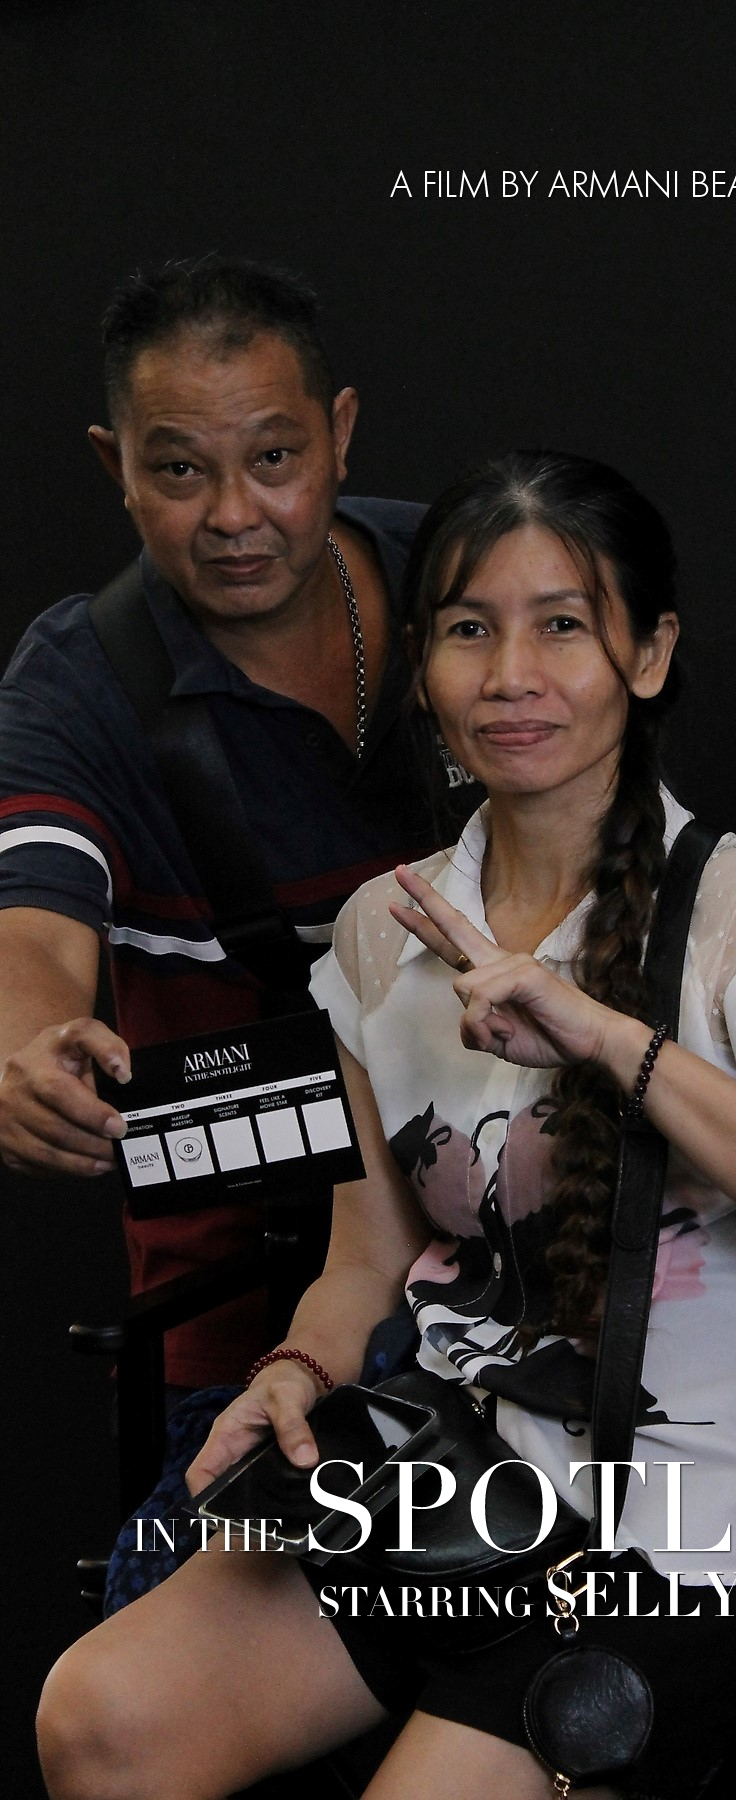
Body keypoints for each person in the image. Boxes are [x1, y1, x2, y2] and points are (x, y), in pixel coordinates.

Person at [37, 451, 736, 1800]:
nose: (512, 673)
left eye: (562, 624)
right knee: (101, 1719)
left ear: (649, 655)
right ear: (423, 666)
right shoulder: (384, 930)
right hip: (460, 1477)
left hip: (705, 1524)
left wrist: (608, 1041)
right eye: (470, 629)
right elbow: (363, 1260)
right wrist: (295, 1367)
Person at [0, 257, 461, 1388]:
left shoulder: (466, 585)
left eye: (273, 459)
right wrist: (26, 1047)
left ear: (338, 435)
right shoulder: (74, 686)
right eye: (178, 469)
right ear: (115, 466)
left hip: (517, 1247)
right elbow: (31, 919)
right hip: (239, 1288)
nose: (234, 516)